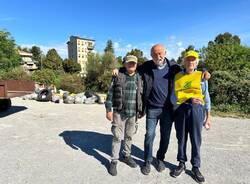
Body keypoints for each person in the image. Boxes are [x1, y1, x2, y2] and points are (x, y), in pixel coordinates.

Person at [113, 44, 210, 175]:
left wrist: (203, 69)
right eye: (154, 54)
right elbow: (131, 68)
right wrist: (118, 69)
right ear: (151, 55)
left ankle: (159, 159)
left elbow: (190, 68)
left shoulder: (173, 67)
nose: (158, 56)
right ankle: (147, 161)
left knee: (165, 137)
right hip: (152, 108)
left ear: (165, 53)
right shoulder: (147, 66)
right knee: (149, 135)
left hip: (168, 109)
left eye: (160, 53)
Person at [170, 50, 211, 183]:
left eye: (193, 60)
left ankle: (195, 166)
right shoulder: (177, 76)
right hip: (181, 110)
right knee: (181, 138)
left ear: (197, 62)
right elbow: (173, 97)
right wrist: (188, 100)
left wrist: (208, 116)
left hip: (196, 110)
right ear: (184, 61)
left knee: (196, 139)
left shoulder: (201, 76)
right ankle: (181, 163)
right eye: (188, 59)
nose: (190, 62)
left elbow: (206, 97)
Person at [105, 55, 143, 176]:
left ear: (136, 64)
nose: (131, 65)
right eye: (129, 63)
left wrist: (141, 110)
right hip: (118, 112)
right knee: (117, 136)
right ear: (125, 64)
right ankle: (114, 161)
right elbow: (110, 92)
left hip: (133, 113)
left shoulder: (140, 77)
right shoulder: (118, 75)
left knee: (129, 136)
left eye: (133, 63)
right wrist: (108, 109)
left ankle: (126, 155)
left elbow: (143, 95)